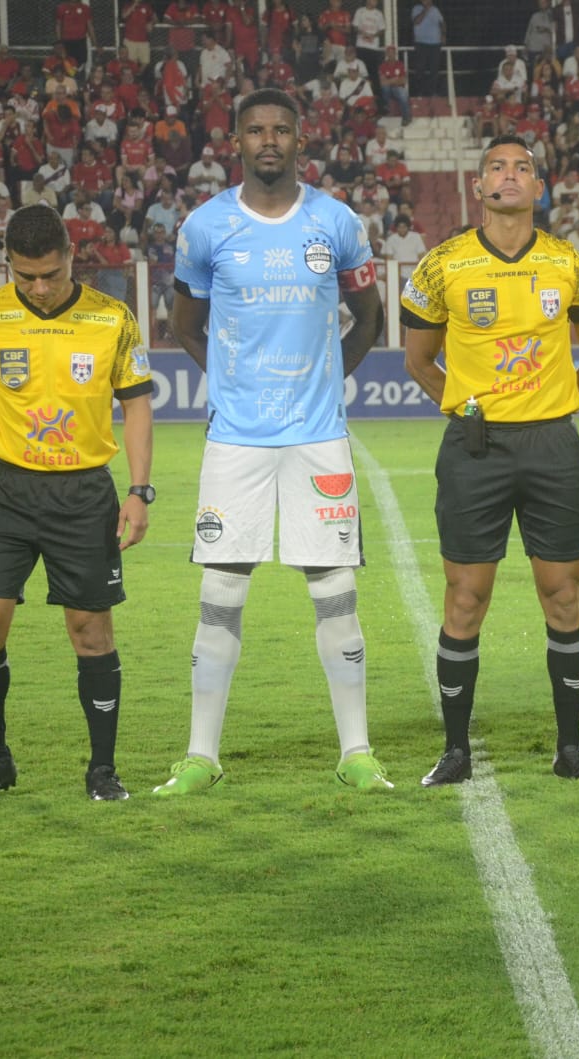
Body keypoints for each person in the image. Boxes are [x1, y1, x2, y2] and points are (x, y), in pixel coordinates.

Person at [160, 88, 389, 795]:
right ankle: (201, 755)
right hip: (238, 439)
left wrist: (331, 379)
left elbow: (369, 315)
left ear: (300, 139)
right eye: (256, 130)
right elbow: (184, 324)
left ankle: (356, 751)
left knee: (336, 587)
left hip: (318, 434)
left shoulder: (337, 222)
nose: (268, 141)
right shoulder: (204, 228)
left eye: (281, 130)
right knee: (222, 586)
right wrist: (230, 383)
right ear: (236, 140)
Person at [400, 135, 579, 785]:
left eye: (523, 167)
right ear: (479, 186)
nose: (509, 175)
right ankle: (456, 750)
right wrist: (461, 408)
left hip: (552, 446)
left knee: (564, 594)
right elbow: (418, 358)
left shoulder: (568, 263)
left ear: (539, 188)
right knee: (466, 597)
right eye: (497, 166)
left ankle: (571, 748)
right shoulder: (443, 265)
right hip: (477, 448)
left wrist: (559, 406)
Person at [0, 204, 154, 802]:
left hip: (83, 494)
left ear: (71, 258)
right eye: (25, 275)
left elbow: (135, 405)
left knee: (90, 631)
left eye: (49, 274)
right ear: (9, 265)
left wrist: (138, 489)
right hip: (4, 490)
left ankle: (102, 770)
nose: (38, 286)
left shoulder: (112, 319)